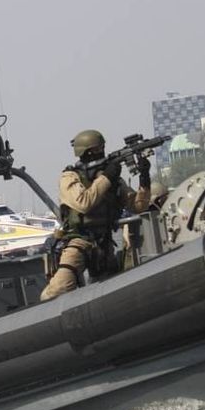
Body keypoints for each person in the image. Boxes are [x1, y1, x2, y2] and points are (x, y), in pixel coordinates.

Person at [40, 129, 151, 301]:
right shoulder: (70, 177)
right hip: (79, 241)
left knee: (114, 291)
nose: (102, 153)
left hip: (104, 244)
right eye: (98, 150)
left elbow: (138, 206)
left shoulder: (112, 181)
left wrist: (144, 178)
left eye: (103, 148)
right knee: (58, 289)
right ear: (86, 153)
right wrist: (106, 177)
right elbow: (83, 203)